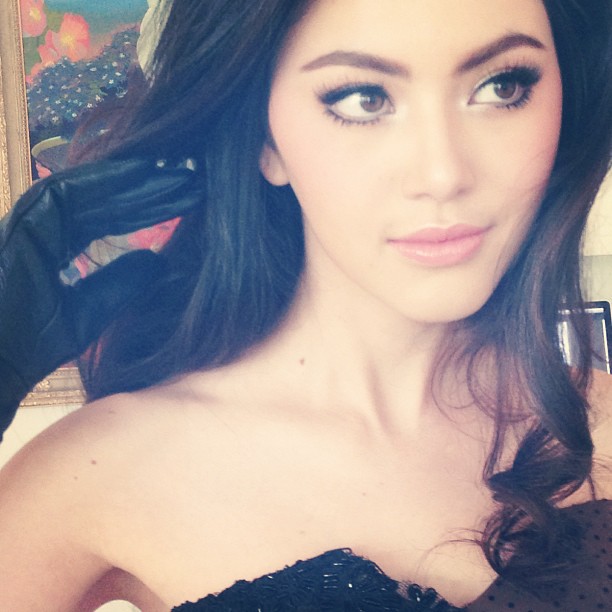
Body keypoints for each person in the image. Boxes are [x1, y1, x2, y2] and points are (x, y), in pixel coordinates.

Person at [0, 0, 610, 609]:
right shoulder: (100, 472)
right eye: (363, 99)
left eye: (502, 86)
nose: (443, 174)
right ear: (266, 140)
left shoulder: (603, 419)